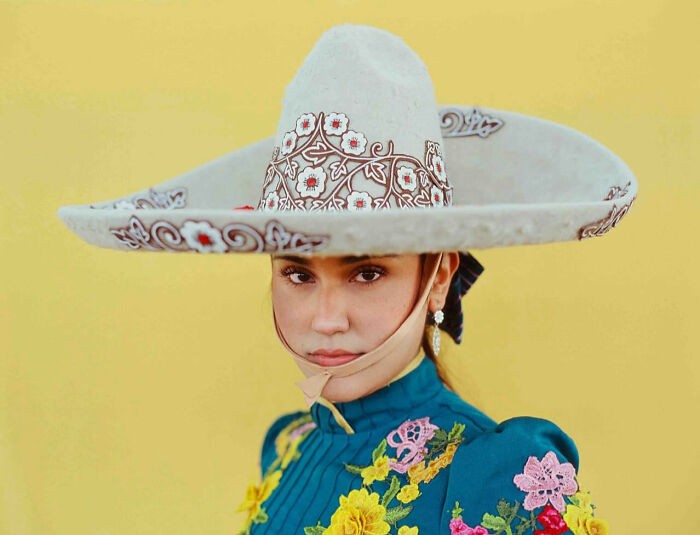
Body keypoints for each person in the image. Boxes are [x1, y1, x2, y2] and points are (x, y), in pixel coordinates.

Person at [58, 24, 636, 535]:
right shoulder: (289, 448)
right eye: (297, 273)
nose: (326, 319)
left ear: (439, 277)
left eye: (367, 272)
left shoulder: (499, 479)